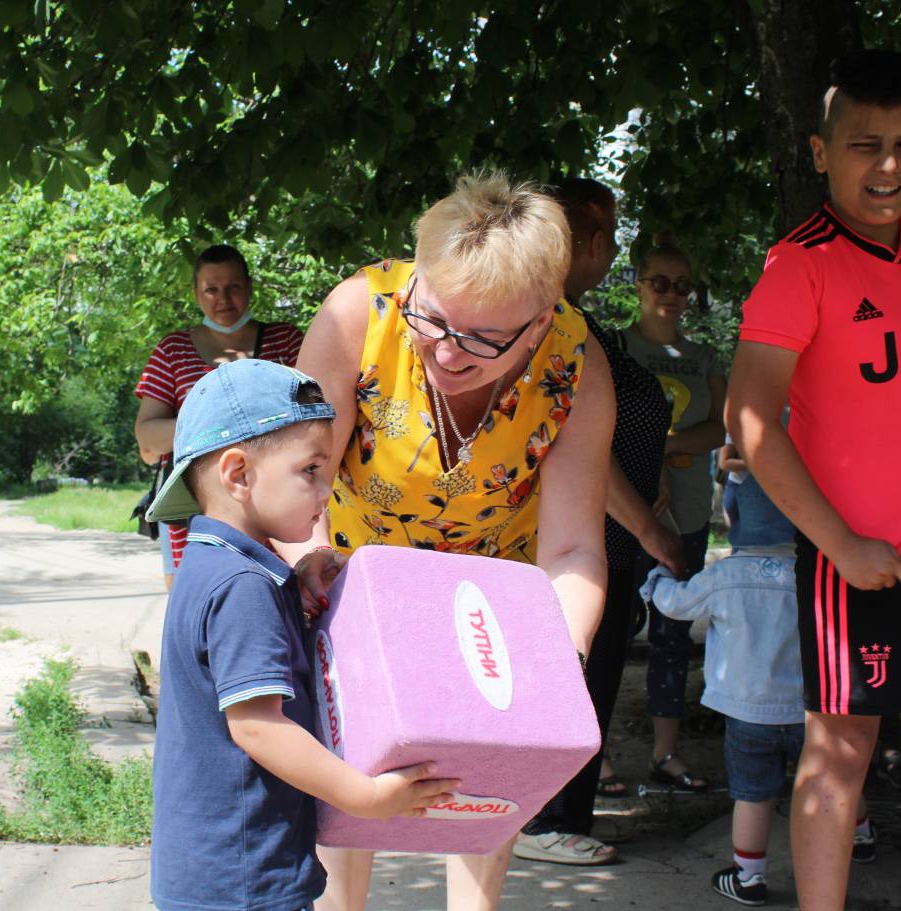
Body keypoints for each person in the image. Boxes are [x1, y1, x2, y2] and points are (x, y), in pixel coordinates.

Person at [281, 171, 615, 910]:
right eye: (432, 320)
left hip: (493, 600)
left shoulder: (574, 365)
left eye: (483, 339)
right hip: (353, 583)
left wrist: (554, 665)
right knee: (347, 810)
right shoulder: (358, 314)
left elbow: (572, 551)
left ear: (540, 322)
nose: (447, 352)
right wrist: (306, 566)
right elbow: (293, 484)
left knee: (484, 796)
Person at [727, 49, 901, 911]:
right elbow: (749, 421)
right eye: (865, 144)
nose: (888, 167)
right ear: (821, 150)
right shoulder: (800, 262)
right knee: (839, 751)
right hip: (855, 554)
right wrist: (839, 544)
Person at [144, 358, 459, 911]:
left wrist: (297, 582)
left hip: (214, 865)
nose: (326, 489)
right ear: (238, 475)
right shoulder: (244, 586)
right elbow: (259, 728)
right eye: (310, 470)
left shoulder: (217, 565)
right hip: (245, 874)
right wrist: (363, 796)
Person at [512, 178, 684, 865]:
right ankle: (544, 821)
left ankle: (555, 814)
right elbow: (577, 451)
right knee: (572, 673)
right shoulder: (552, 325)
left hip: (596, 538)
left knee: (590, 671)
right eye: (609, 235)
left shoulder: (567, 318)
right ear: (585, 242)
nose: (611, 249)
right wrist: (651, 531)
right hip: (579, 541)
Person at [641, 476, 878, 904]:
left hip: (747, 712)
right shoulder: (815, 572)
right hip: (811, 711)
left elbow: (674, 605)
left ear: (736, 521)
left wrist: (657, 578)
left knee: (752, 795)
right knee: (836, 780)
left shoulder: (724, 575)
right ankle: (859, 838)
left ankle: (749, 877)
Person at [134, 244, 304, 589]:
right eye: (211, 289)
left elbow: (313, 415)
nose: (223, 298)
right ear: (196, 292)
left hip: (276, 503)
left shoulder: (287, 342)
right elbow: (148, 437)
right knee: (200, 602)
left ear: (250, 287)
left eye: (233, 287)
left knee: (282, 599)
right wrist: (228, 422)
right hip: (194, 511)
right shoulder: (172, 350)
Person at [622, 242, 726, 794]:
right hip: (624, 516)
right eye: (660, 282)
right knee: (613, 633)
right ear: (638, 284)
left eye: (682, 285)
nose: (671, 294)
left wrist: (661, 448)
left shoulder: (705, 359)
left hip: (686, 519)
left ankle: (666, 754)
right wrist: (658, 456)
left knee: (672, 637)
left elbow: (722, 429)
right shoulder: (617, 348)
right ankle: (598, 759)